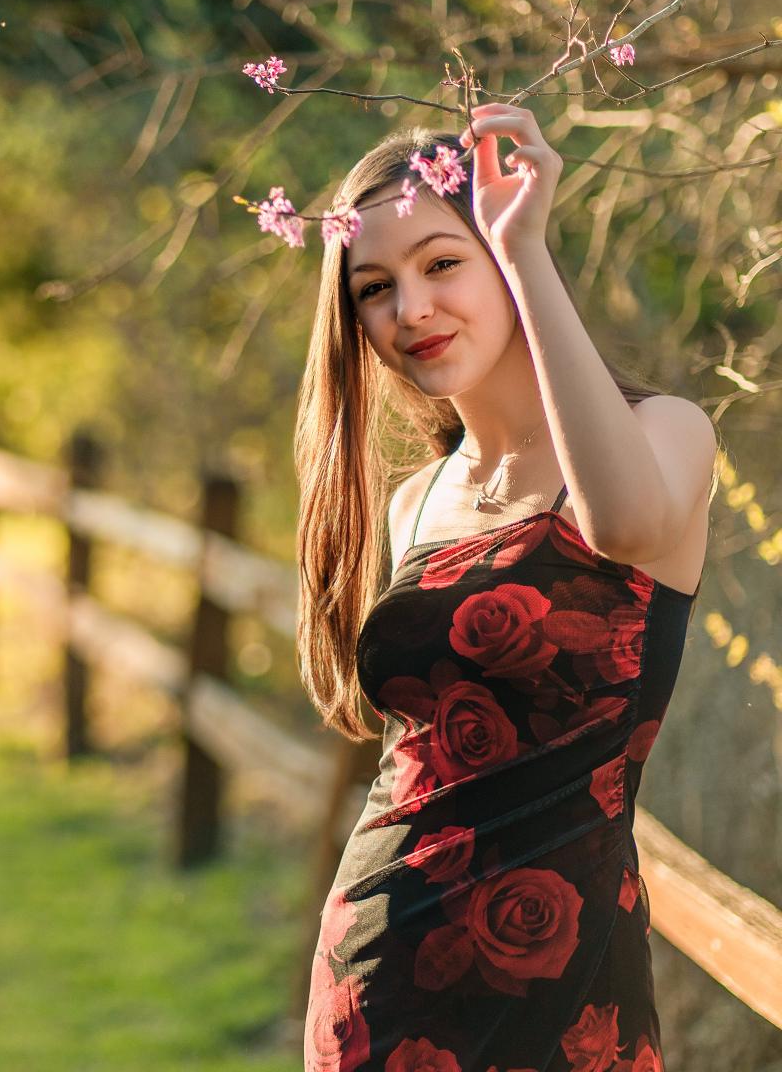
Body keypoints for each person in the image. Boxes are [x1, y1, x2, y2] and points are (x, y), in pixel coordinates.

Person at [296, 103, 719, 1072]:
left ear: (499, 248)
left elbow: (622, 530)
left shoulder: (665, 437)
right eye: (374, 289)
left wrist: (524, 248)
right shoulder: (416, 502)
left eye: (442, 263)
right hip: (376, 980)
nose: (409, 311)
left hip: (567, 1003)